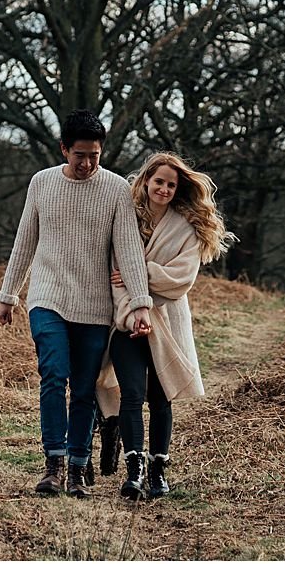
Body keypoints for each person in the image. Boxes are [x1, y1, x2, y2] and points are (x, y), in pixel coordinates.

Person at [0, 109, 153, 498]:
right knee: (54, 375)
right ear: (64, 149)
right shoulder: (41, 183)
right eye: (79, 155)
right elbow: (25, 239)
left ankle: (78, 469)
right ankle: (53, 464)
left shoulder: (115, 189)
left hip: (94, 305)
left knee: (84, 388)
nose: (86, 164)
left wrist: (141, 302)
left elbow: (129, 249)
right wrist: (8, 294)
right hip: (47, 296)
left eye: (94, 156)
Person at [96, 151, 236, 500]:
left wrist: (138, 272)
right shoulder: (123, 218)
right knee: (130, 393)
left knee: (160, 398)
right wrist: (133, 312)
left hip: (169, 323)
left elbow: (180, 280)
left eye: (171, 185)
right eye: (158, 181)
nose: (164, 189)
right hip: (127, 321)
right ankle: (134, 470)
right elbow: (113, 279)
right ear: (145, 181)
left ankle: (158, 470)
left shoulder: (185, 228)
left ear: (178, 189)